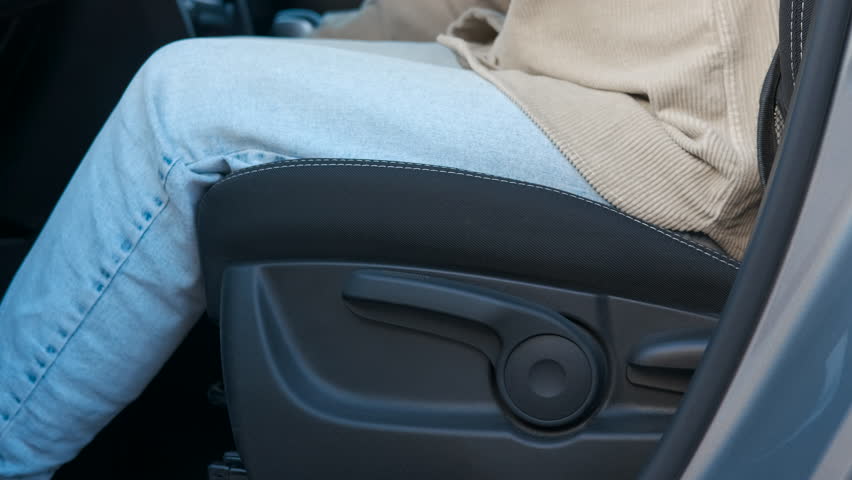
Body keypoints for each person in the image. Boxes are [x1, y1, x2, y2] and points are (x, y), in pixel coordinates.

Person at [0, 0, 777, 478]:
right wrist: (303, 51)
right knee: (208, 86)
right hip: (583, 78)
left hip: (681, 132)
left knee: (180, 111)